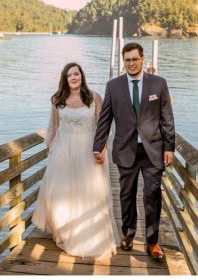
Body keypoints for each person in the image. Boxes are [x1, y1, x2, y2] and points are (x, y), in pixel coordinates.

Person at [93, 42, 176, 260]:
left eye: (134, 59)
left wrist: (170, 147)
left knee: (152, 195)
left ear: (142, 59)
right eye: (127, 60)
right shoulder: (113, 86)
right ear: (124, 62)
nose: (131, 63)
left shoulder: (159, 84)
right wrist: (98, 146)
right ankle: (128, 235)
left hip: (153, 150)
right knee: (126, 195)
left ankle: (152, 241)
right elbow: (105, 120)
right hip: (125, 150)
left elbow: (167, 119)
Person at [32, 62, 118, 259]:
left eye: (76, 74)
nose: (73, 77)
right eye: (69, 74)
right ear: (65, 78)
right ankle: (65, 232)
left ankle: (88, 237)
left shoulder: (94, 98)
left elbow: (103, 126)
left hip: (87, 151)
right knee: (61, 193)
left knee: (88, 194)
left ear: (82, 76)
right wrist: (50, 150)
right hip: (63, 151)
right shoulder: (58, 100)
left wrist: (102, 148)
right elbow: (53, 127)